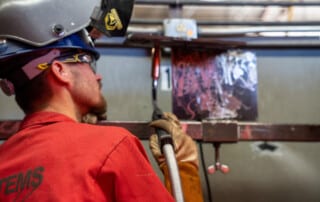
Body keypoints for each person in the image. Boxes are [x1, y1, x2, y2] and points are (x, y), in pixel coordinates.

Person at [0, 0, 204, 201]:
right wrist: (183, 168)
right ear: (61, 71)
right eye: (88, 60)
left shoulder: (4, 160)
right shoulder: (112, 146)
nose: (98, 76)